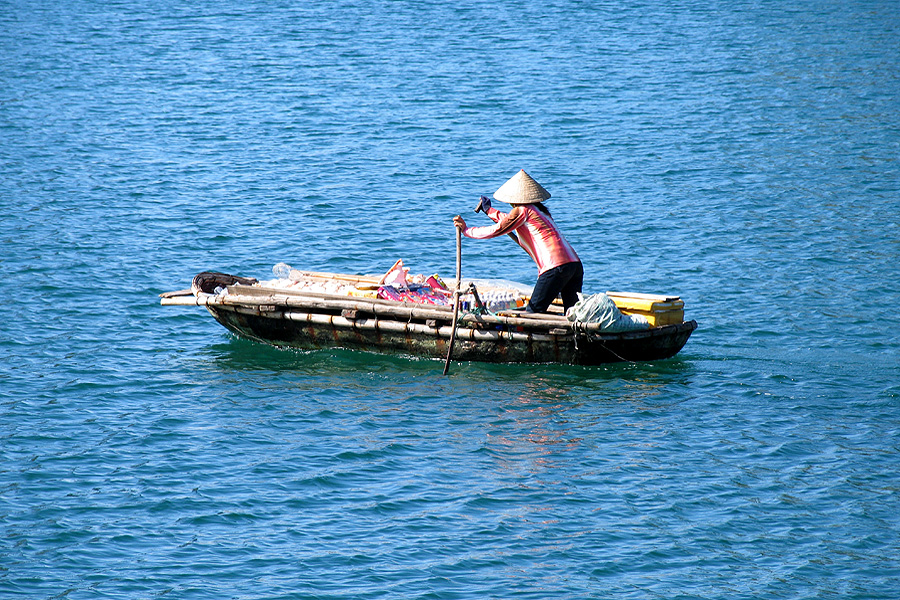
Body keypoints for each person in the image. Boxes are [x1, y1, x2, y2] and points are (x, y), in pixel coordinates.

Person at [453, 169, 583, 313]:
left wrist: (467, 230)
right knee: (573, 314)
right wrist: (489, 211)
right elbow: (508, 221)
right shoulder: (539, 211)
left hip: (555, 267)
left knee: (533, 313)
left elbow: (497, 230)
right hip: (574, 265)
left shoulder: (521, 210)